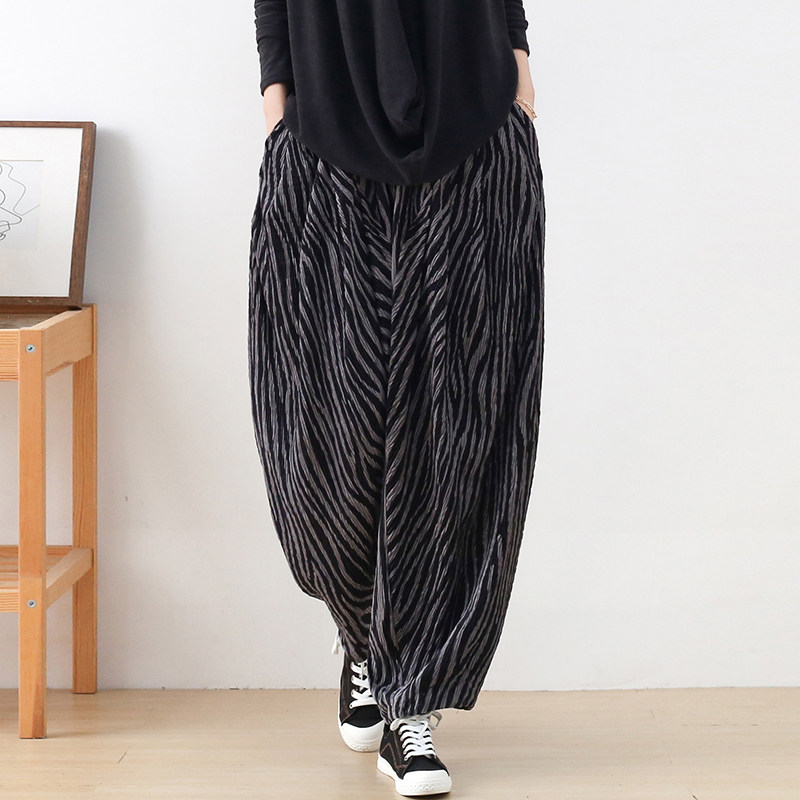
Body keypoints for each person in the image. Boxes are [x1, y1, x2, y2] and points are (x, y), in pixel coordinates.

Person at [248, 1, 545, 796]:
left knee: (454, 438)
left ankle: (411, 702)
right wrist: (279, 117)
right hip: (322, 150)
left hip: (475, 148)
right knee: (324, 439)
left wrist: (521, 83)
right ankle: (365, 640)